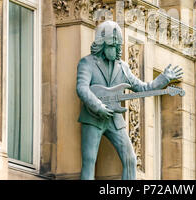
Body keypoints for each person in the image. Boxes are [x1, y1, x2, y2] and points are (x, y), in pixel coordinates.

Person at [76, 20, 183, 180]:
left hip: (115, 119)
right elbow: (82, 88)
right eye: (111, 46)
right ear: (101, 44)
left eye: (117, 46)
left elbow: (143, 88)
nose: (115, 50)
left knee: (131, 159)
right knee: (90, 160)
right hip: (93, 117)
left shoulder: (123, 67)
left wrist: (164, 79)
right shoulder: (87, 63)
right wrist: (97, 106)